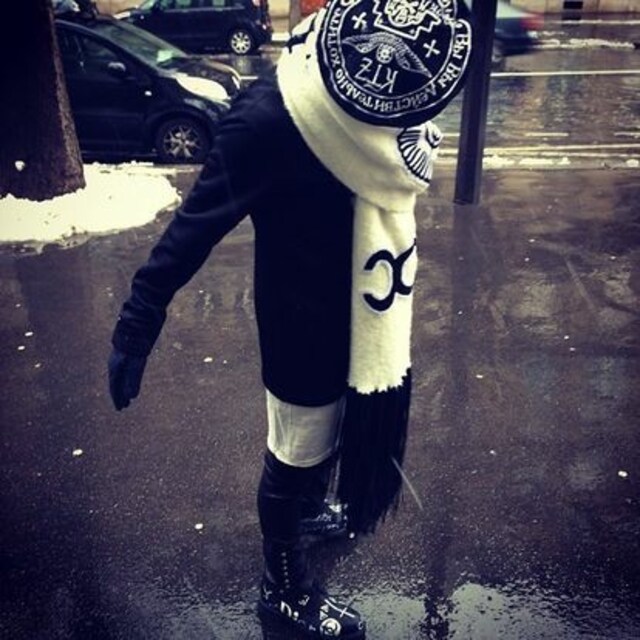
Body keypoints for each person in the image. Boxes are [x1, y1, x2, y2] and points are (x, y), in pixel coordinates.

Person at [108, 0, 473, 636]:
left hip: (362, 318)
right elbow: (194, 227)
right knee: (297, 452)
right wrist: (138, 323)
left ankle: (304, 511)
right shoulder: (270, 120)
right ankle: (282, 588)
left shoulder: (377, 114)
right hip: (301, 326)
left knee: (331, 441)